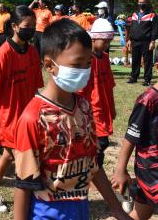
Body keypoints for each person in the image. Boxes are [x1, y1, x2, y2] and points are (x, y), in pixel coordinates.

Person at [13, 19, 129, 220]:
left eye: (88, 63)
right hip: (46, 214)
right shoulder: (33, 118)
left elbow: (93, 164)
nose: (84, 70)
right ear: (50, 65)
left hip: (80, 211)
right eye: (77, 64)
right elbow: (24, 184)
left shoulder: (84, 107)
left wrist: (116, 209)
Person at [0, 5, 43, 213]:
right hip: (9, 116)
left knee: (10, 155)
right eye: (26, 26)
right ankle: (1, 192)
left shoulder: (32, 52)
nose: (31, 29)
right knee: (17, 155)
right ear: (14, 26)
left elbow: (36, 88)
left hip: (28, 115)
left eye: (33, 25)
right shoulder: (4, 53)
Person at [112, 78, 158, 219]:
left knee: (142, 212)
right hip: (152, 171)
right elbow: (131, 136)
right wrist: (120, 170)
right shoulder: (148, 100)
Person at [78, 19, 116, 169]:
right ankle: (92, 174)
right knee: (99, 143)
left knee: (100, 144)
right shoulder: (86, 60)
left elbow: (109, 86)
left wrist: (112, 108)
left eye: (109, 41)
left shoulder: (105, 58)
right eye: (104, 41)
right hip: (91, 109)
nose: (107, 44)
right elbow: (80, 90)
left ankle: (93, 173)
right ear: (93, 38)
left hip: (103, 108)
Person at [127, 0, 158, 86]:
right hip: (135, 41)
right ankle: (134, 77)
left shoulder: (152, 15)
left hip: (147, 41)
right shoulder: (134, 14)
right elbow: (131, 28)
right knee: (135, 60)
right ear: (137, 3)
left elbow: (155, 29)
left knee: (147, 61)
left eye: (143, 3)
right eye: (139, 2)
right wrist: (129, 39)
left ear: (147, 3)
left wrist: (152, 41)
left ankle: (147, 79)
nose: (141, 4)